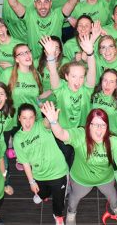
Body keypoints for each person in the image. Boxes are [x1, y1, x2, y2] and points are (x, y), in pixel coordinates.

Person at [41, 102, 117, 225]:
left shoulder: (114, 142)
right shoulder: (80, 135)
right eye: (95, 125)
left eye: (103, 125)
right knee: (73, 200)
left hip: (106, 179)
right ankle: (71, 213)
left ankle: (115, 208)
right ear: (88, 126)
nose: (99, 129)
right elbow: (61, 134)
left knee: (114, 198)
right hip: (81, 180)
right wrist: (53, 122)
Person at [41, 33, 97, 167]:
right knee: (64, 162)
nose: (77, 81)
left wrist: (90, 53)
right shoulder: (60, 89)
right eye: (73, 76)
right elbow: (53, 72)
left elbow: (92, 72)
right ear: (66, 76)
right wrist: (50, 56)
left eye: (81, 77)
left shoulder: (86, 90)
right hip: (62, 133)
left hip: (82, 134)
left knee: (80, 161)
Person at [13, 104, 68, 225]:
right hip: (39, 174)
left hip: (57, 171)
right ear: (19, 118)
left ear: (35, 117)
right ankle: (44, 195)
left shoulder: (41, 125)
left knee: (59, 200)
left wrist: (51, 118)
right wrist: (31, 182)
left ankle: (58, 215)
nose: (28, 122)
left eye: (31, 117)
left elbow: (48, 123)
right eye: (24, 118)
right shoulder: (17, 139)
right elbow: (25, 163)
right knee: (41, 193)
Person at [3, 0, 78, 59]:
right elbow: (14, 4)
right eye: (39, 2)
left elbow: (72, 1)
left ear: (51, 4)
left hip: (55, 59)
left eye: (46, 2)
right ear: (34, 4)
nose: (43, 6)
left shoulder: (57, 15)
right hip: (35, 62)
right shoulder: (29, 16)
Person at [0, 43, 43, 117]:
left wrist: (41, 104)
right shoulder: (7, 74)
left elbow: (36, 98)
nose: (27, 55)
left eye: (28, 52)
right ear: (16, 59)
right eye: (21, 54)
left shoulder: (37, 75)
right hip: (14, 119)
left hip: (34, 118)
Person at [91, 69, 117, 139]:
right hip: (95, 133)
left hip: (112, 135)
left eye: (112, 82)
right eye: (105, 80)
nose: (107, 84)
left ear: (116, 85)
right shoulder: (95, 94)